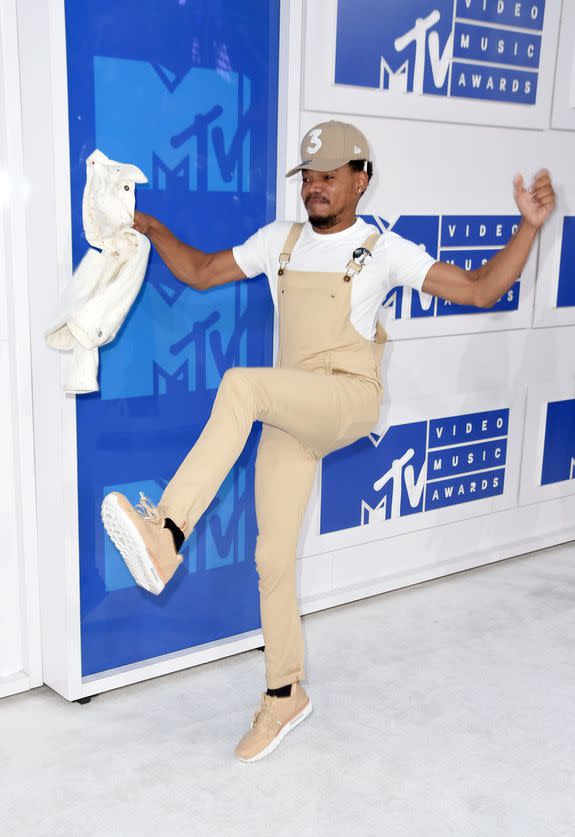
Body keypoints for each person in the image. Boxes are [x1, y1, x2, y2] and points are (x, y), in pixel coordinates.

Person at [101, 120, 556, 763]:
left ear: (360, 181)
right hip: (293, 405)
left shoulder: (384, 249)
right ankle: (285, 693)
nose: (314, 188)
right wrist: (148, 228)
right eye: (308, 178)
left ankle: (167, 531)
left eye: (329, 176)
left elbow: (482, 288)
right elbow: (201, 272)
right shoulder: (279, 241)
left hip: (346, 398)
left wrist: (529, 228)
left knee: (240, 386)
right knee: (272, 556)